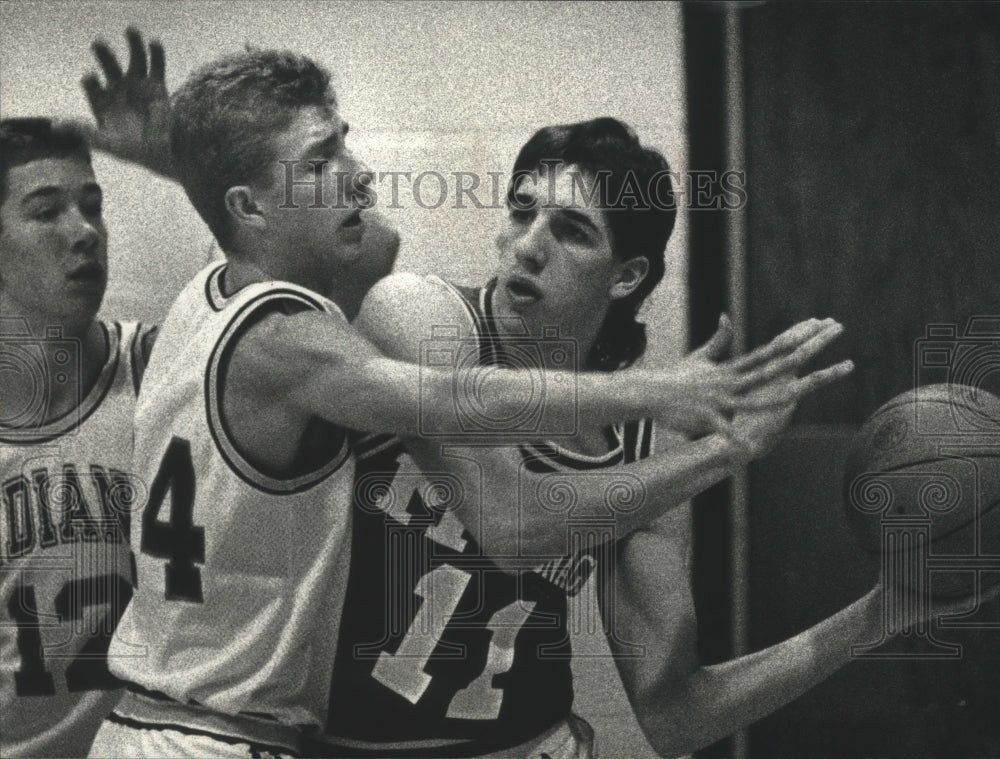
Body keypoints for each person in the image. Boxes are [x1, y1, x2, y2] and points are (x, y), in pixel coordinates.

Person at [77, 33, 832, 759]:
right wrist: (694, 422)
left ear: (627, 277)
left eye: (570, 229)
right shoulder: (413, 317)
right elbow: (509, 512)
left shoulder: (649, 449)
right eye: (520, 210)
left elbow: (675, 715)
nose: (528, 243)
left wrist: (885, 612)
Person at [0, 117, 157, 758]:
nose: (85, 231)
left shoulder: (160, 367)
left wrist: (179, 161)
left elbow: (362, 261)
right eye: (46, 212)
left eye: (91, 206)